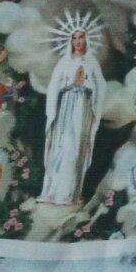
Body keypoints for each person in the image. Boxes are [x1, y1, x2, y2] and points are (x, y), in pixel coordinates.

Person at [40, 24, 106, 206]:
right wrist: (69, 83)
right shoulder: (64, 61)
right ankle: (53, 192)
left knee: (75, 148)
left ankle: (69, 194)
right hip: (65, 109)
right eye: (74, 38)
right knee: (61, 147)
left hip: (82, 108)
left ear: (86, 40)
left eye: (81, 37)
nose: (77, 42)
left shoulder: (92, 63)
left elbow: (100, 88)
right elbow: (54, 86)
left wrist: (86, 84)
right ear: (70, 41)